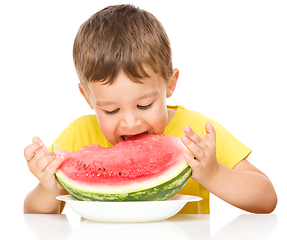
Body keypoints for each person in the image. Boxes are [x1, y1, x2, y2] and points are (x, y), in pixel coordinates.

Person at [24, 4, 277, 214]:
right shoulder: (79, 136)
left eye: (144, 105)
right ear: (88, 98)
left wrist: (214, 174)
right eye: (111, 110)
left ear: (170, 84)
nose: (131, 122)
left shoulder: (197, 133)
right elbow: (33, 214)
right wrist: (49, 189)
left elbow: (267, 198)